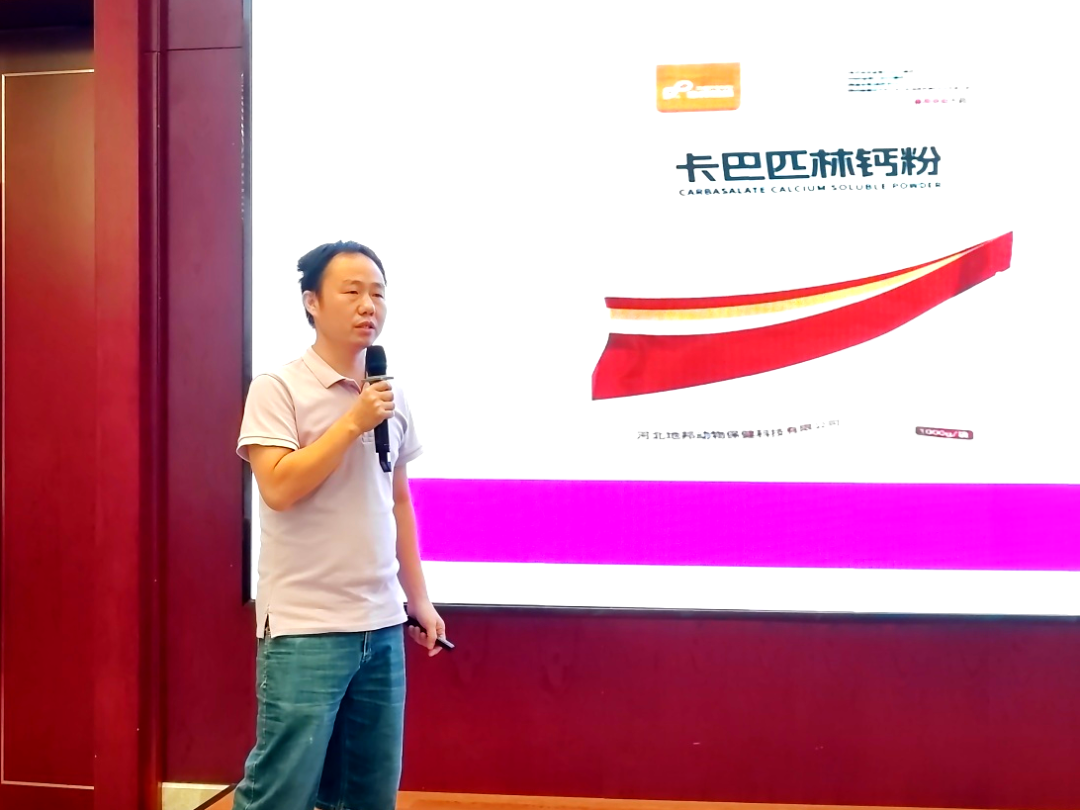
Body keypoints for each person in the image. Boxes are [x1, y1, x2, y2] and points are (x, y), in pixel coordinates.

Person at [233, 240, 445, 810]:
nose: (368, 305)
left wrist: (419, 601)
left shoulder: (391, 396)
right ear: (312, 302)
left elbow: (398, 502)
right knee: (281, 794)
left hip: (382, 626)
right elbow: (279, 488)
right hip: (306, 628)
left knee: (367, 796)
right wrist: (352, 422)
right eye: (351, 291)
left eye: (378, 293)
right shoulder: (277, 388)